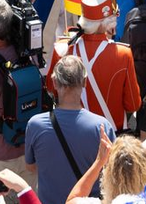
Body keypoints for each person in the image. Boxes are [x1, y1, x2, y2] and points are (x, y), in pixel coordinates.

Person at [25, 54, 112, 204]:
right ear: (84, 82)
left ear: (54, 82)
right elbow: (111, 173)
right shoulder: (102, 126)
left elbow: (31, 167)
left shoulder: (35, 124)